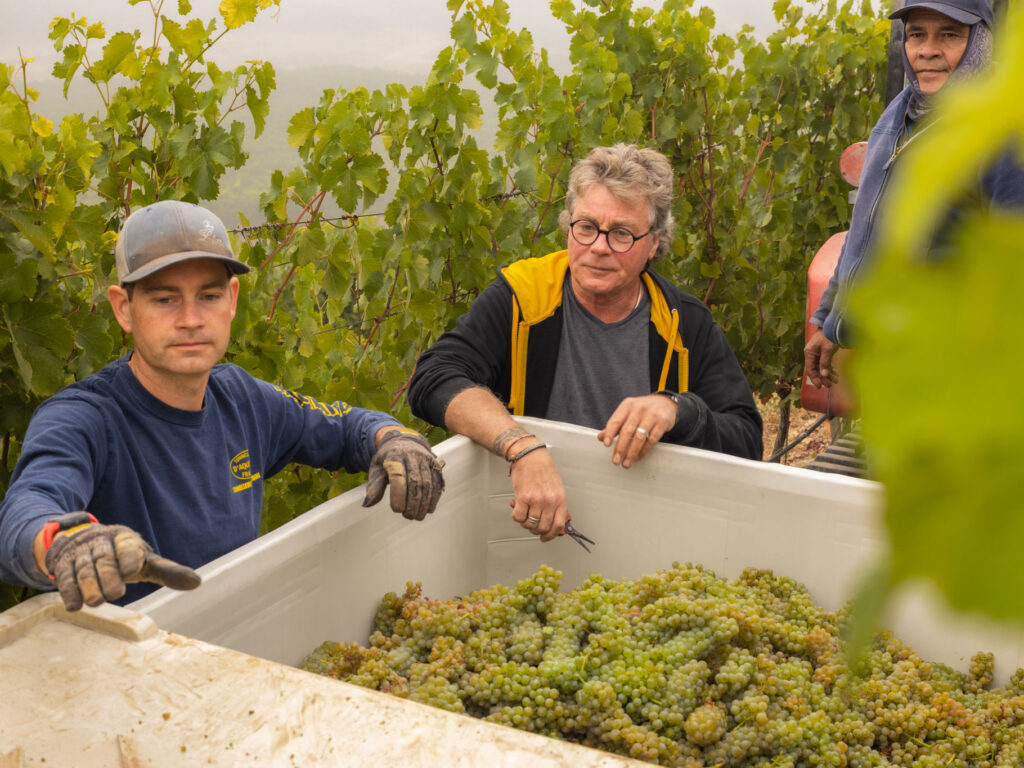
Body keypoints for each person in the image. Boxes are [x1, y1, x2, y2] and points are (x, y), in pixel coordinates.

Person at [0, 200, 445, 611]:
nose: (191, 319)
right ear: (123, 308)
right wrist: (66, 541)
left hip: (230, 654)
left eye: (208, 296)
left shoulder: (243, 400)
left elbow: (346, 426)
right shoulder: (83, 417)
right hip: (125, 674)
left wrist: (395, 438)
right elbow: (28, 508)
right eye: (164, 298)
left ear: (231, 300)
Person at [407, 143, 762, 543]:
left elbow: (747, 441)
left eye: (622, 234)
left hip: (648, 532)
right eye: (587, 227)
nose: (598, 247)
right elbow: (434, 378)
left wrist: (676, 409)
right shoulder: (522, 297)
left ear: (653, 244)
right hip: (529, 529)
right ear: (569, 225)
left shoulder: (683, 323)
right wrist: (520, 446)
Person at [805, 0, 1024, 387]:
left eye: (949, 34)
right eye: (916, 35)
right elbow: (864, 231)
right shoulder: (901, 112)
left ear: (981, 43)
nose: (927, 50)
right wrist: (829, 320)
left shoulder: (1001, 133)